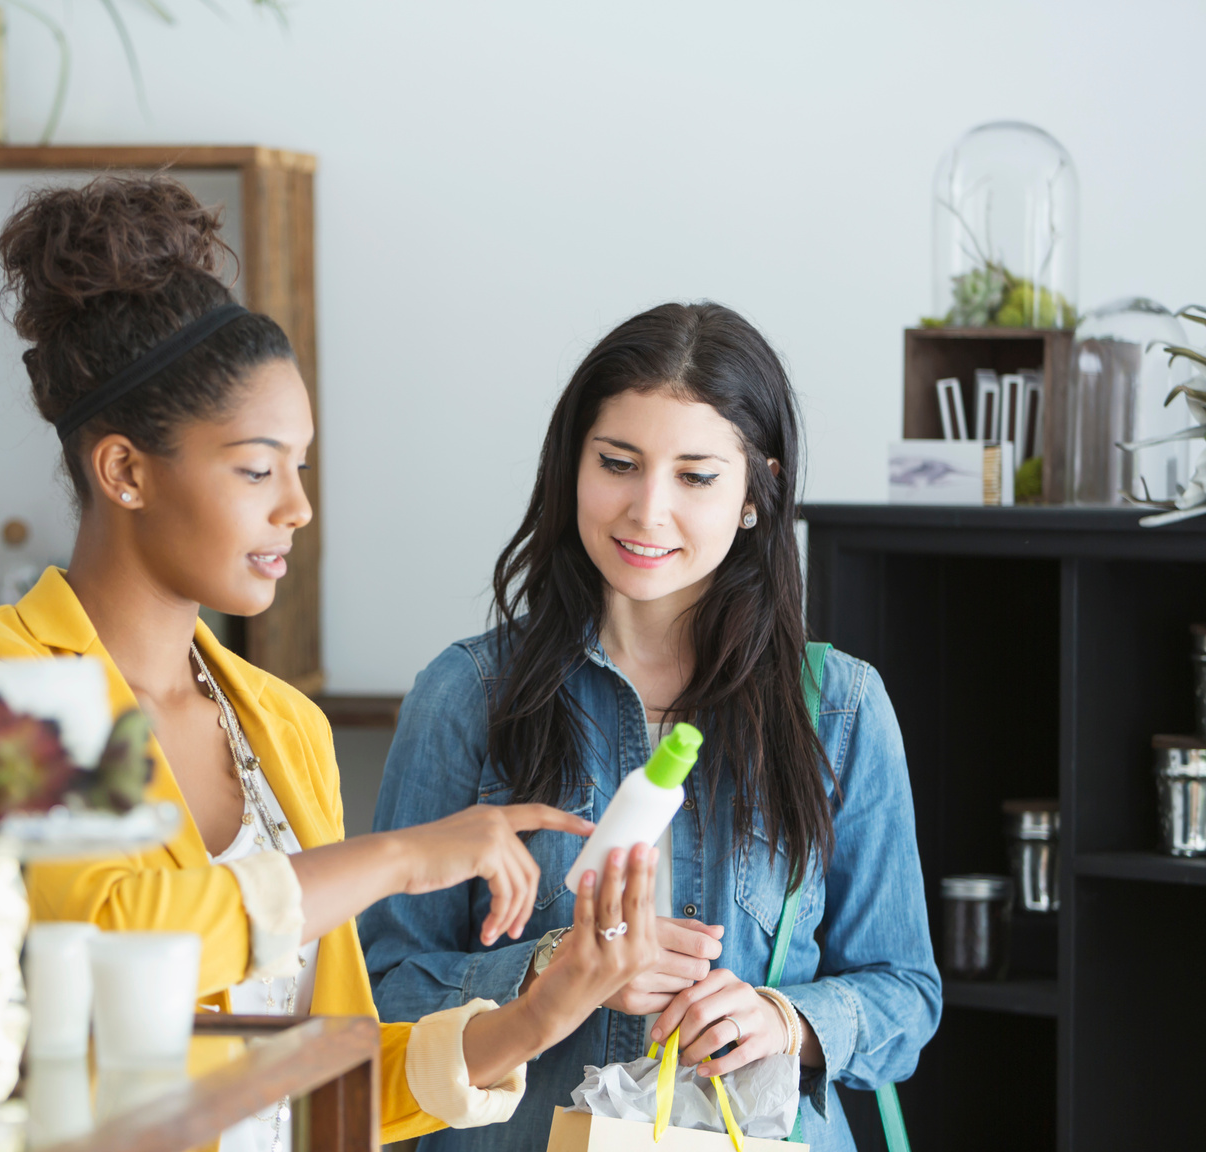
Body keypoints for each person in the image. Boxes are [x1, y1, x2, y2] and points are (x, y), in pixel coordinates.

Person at [0, 176, 668, 1150]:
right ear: (124, 471)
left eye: (300, 464)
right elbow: (109, 938)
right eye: (257, 468)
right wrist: (398, 857)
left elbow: (323, 1081)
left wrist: (542, 1016)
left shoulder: (281, 725)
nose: (296, 506)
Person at [359, 303, 941, 1151]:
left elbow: (907, 997)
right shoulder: (468, 694)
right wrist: (550, 971)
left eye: (696, 476)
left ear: (756, 492)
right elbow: (384, 987)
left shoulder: (842, 709)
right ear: (573, 466)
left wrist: (784, 1018)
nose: (647, 510)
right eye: (619, 464)